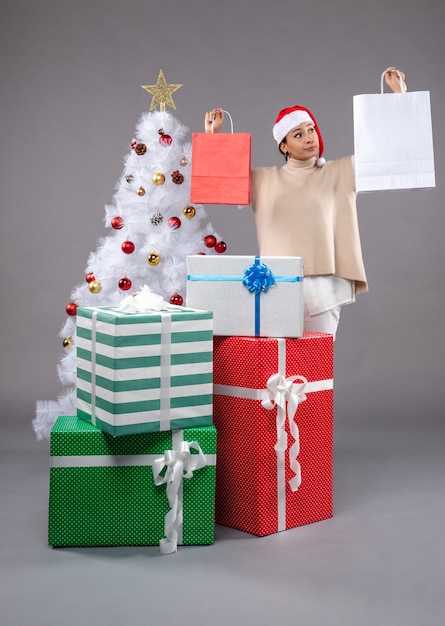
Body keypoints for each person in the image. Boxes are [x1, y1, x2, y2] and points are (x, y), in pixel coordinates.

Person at [204, 67, 407, 338]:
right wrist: (213, 139)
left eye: (311, 130)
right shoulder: (263, 180)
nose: (309, 137)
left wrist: (398, 100)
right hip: (275, 287)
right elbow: (218, 183)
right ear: (284, 145)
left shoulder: (342, 172)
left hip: (324, 290)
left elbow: (384, 154)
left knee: (315, 370)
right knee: (274, 368)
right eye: (298, 134)